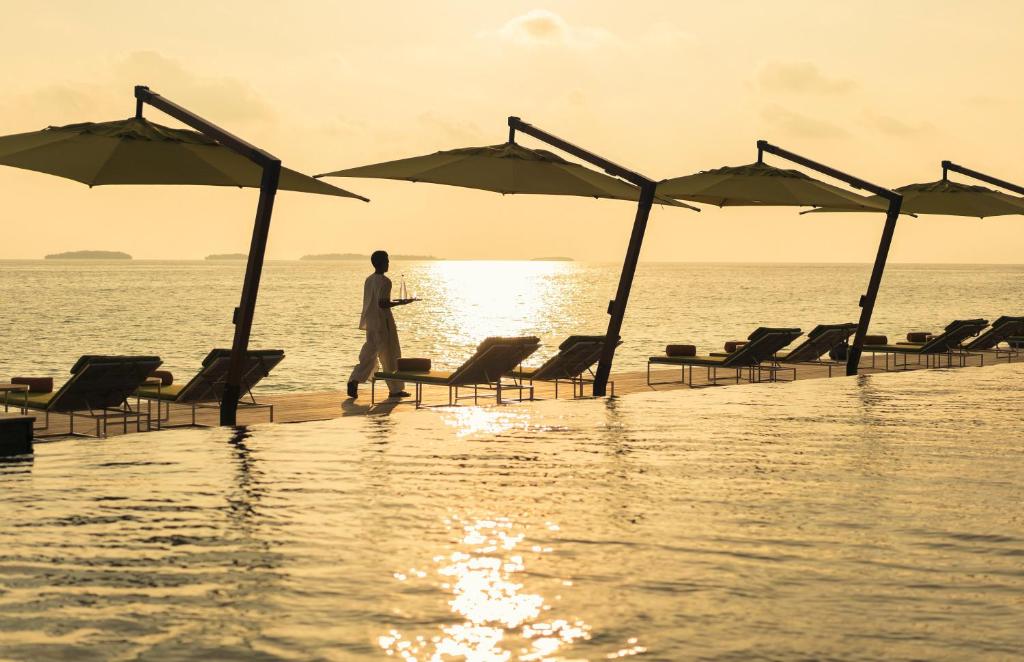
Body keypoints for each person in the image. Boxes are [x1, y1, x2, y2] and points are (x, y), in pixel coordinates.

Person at [346, 250, 415, 399]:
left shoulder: (369, 280)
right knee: (391, 354)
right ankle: (395, 389)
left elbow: (373, 301)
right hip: (383, 321)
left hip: (371, 321)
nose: (388, 263)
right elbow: (382, 303)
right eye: (387, 261)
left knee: (370, 352)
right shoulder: (385, 281)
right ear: (382, 263)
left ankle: (354, 379)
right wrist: (402, 303)